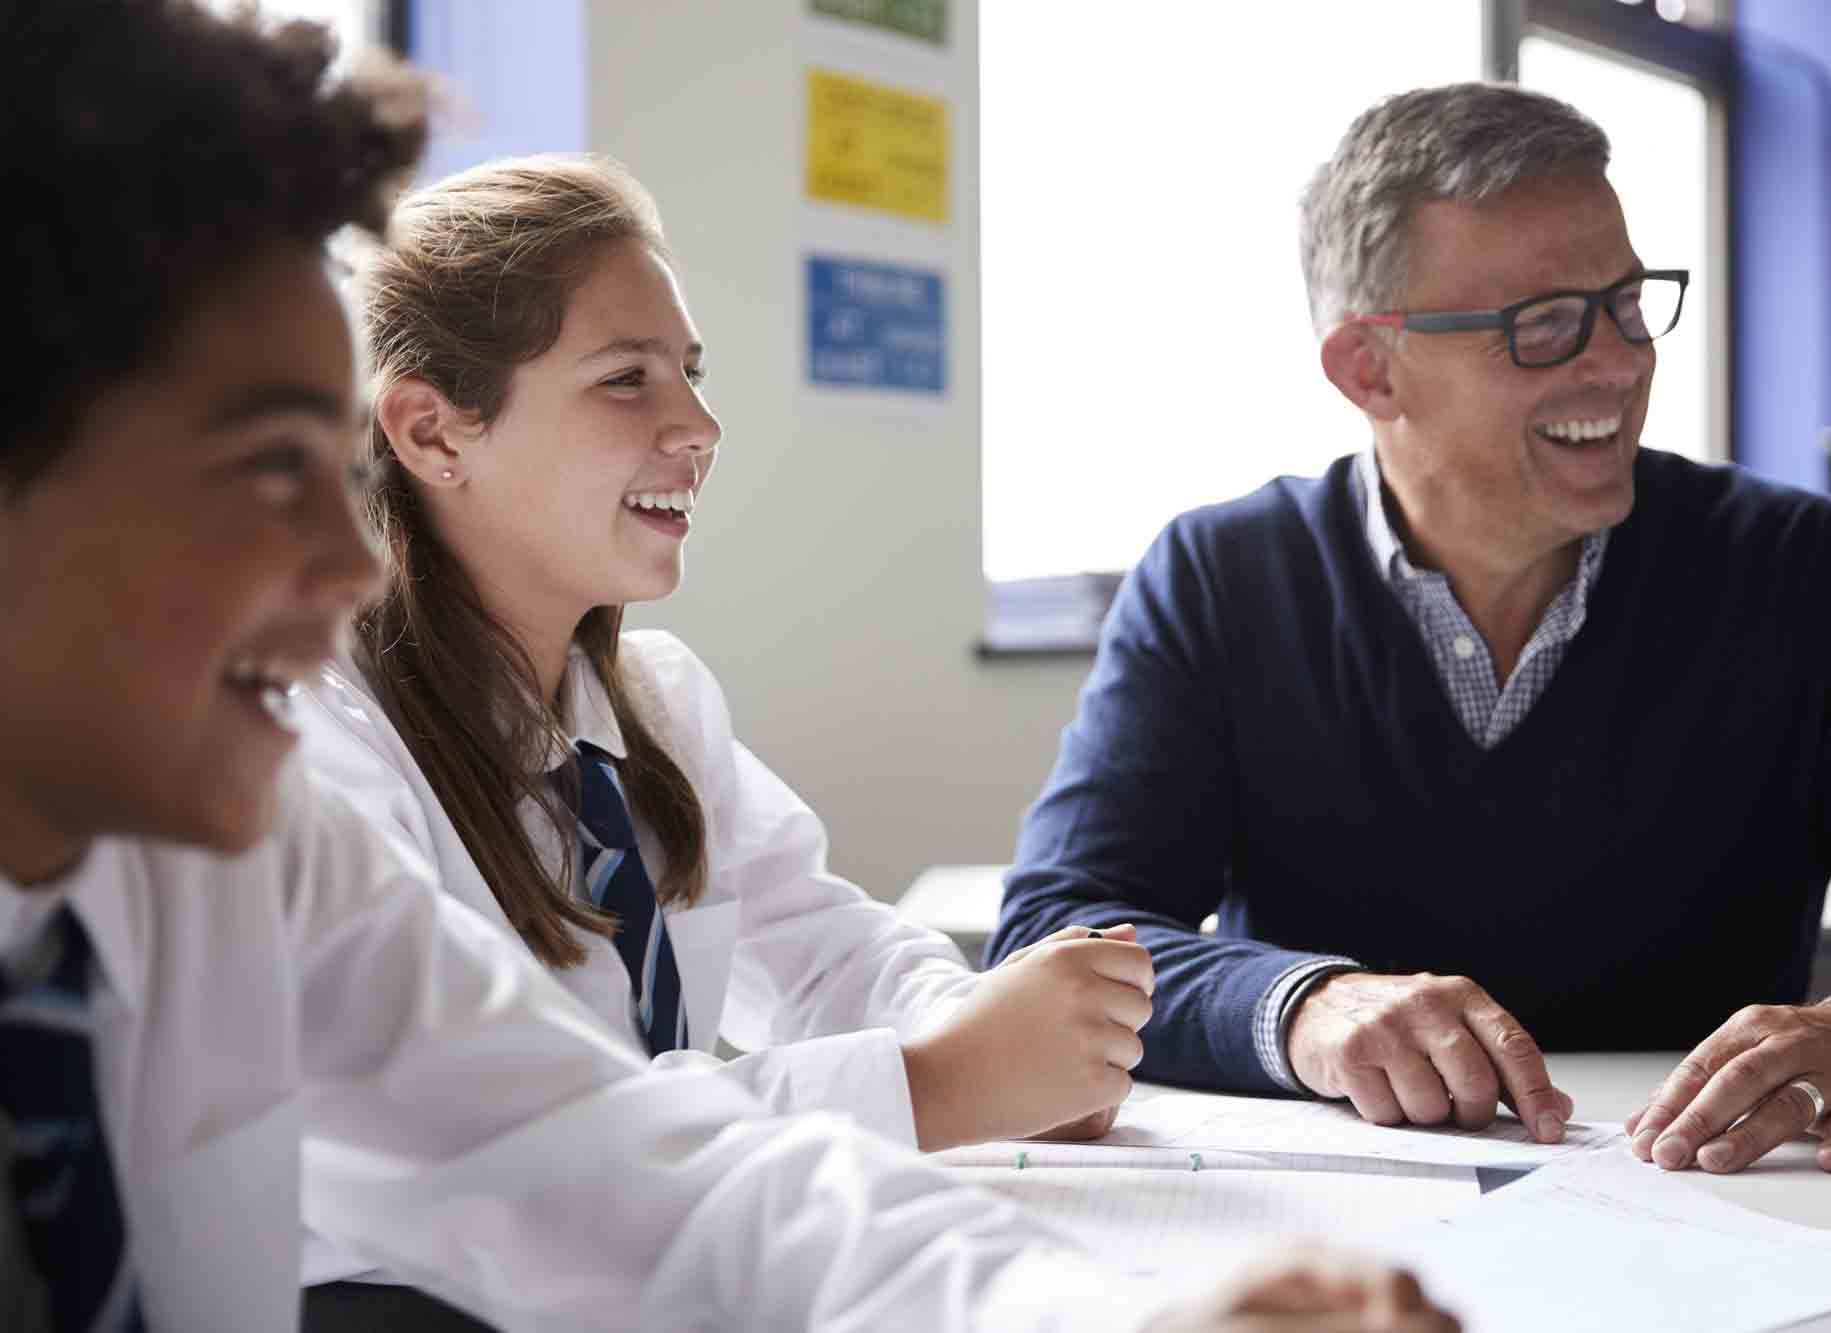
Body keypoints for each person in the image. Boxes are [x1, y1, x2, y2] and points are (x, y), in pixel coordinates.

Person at [0, 3, 1459, 1330]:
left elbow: (637, 1169)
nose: (345, 548)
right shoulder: (316, 757)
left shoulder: (253, 854)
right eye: (266, 465)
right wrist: (939, 1082)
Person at [993, 81, 1831, 1180]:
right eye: (1545, 324)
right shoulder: (1221, 576)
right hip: (1333, 1216)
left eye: (1626, 301)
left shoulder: (1806, 574)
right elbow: (1059, 934)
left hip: (1729, 1207)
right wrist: (1303, 1008)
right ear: (1367, 369)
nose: (1616, 362)